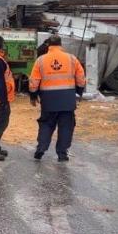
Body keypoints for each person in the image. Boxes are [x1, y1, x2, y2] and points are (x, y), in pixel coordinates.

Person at [28, 34, 86, 162]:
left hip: (48, 99)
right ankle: (62, 154)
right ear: (61, 45)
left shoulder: (41, 60)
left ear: (48, 45)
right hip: (67, 99)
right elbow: (81, 78)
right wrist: (79, 92)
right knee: (66, 126)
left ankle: (41, 148)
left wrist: (33, 95)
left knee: (46, 124)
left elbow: (33, 81)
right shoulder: (71, 58)